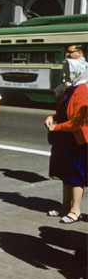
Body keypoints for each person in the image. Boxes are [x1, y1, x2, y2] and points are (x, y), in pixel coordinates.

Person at [44, 56, 88, 224]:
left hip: (76, 140)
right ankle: (65, 207)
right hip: (65, 138)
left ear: (78, 72)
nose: (65, 74)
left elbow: (78, 122)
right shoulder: (70, 89)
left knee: (76, 175)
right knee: (65, 174)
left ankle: (75, 210)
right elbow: (62, 112)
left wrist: (56, 127)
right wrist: (51, 117)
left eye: (68, 71)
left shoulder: (82, 91)